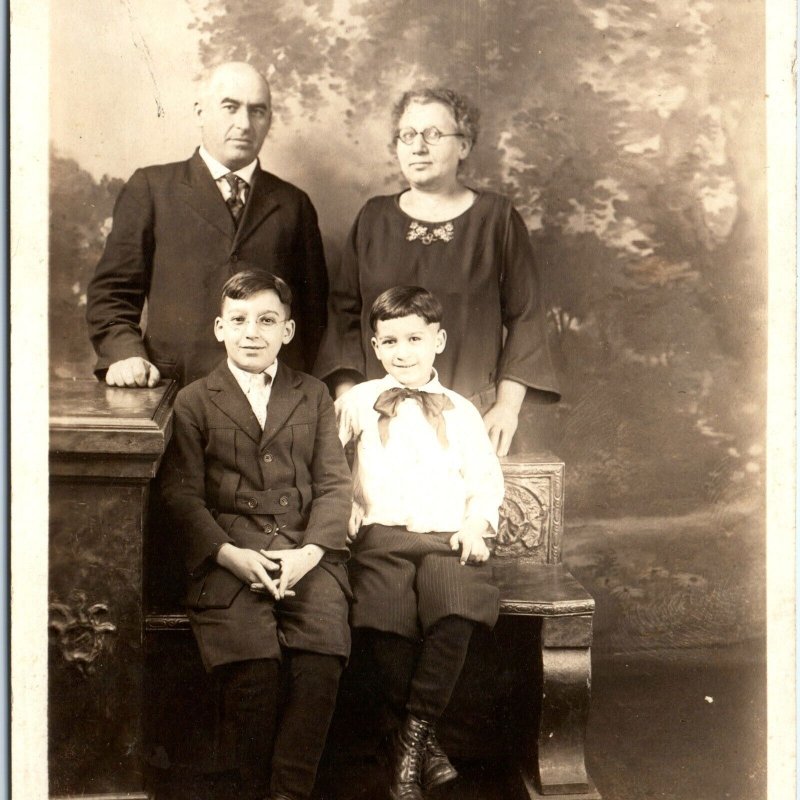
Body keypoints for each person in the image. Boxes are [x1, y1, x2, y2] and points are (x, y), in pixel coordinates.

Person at [158, 270, 351, 800]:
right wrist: (229, 555)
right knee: (255, 673)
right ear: (220, 328)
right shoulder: (195, 400)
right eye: (239, 320)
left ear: (287, 331)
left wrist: (310, 553)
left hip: (306, 556)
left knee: (319, 661)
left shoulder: (311, 395)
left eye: (267, 320)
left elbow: (336, 485)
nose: (252, 332)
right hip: (229, 558)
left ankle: (289, 794)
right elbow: (182, 497)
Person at [315, 87, 560, 457]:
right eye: (408, 135)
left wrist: (507, 408)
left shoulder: (496, 219)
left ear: (464, 145)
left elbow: (527, 318)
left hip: (471, 418)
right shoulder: (373, 218)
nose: (418, 147)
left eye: (433, 134)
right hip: (379, 420)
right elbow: (342, 317)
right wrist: (350, 400)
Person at [335, 286, 504, 800]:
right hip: (382, 536)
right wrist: (347, 503)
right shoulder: (358, 402)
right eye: (390, 341)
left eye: (414, 338)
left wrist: (476, 525)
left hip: (447, 535)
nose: (402, 351)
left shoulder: (461, 411)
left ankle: (411, 739)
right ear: (375, 346)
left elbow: (486, 480)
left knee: (453, 607)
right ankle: (422, 747)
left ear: (439, 340)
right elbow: (330, 467)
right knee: (383, 615)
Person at [86, 61, 328, 388]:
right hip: (174, 392)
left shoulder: (294, 203)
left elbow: (313, 316)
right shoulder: (152, 188)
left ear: (269, 120)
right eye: (230, 107)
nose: (244, 123)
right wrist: (125, 354)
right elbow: (112, 295)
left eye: (257, 111)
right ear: (201, 112)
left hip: (269, 400)